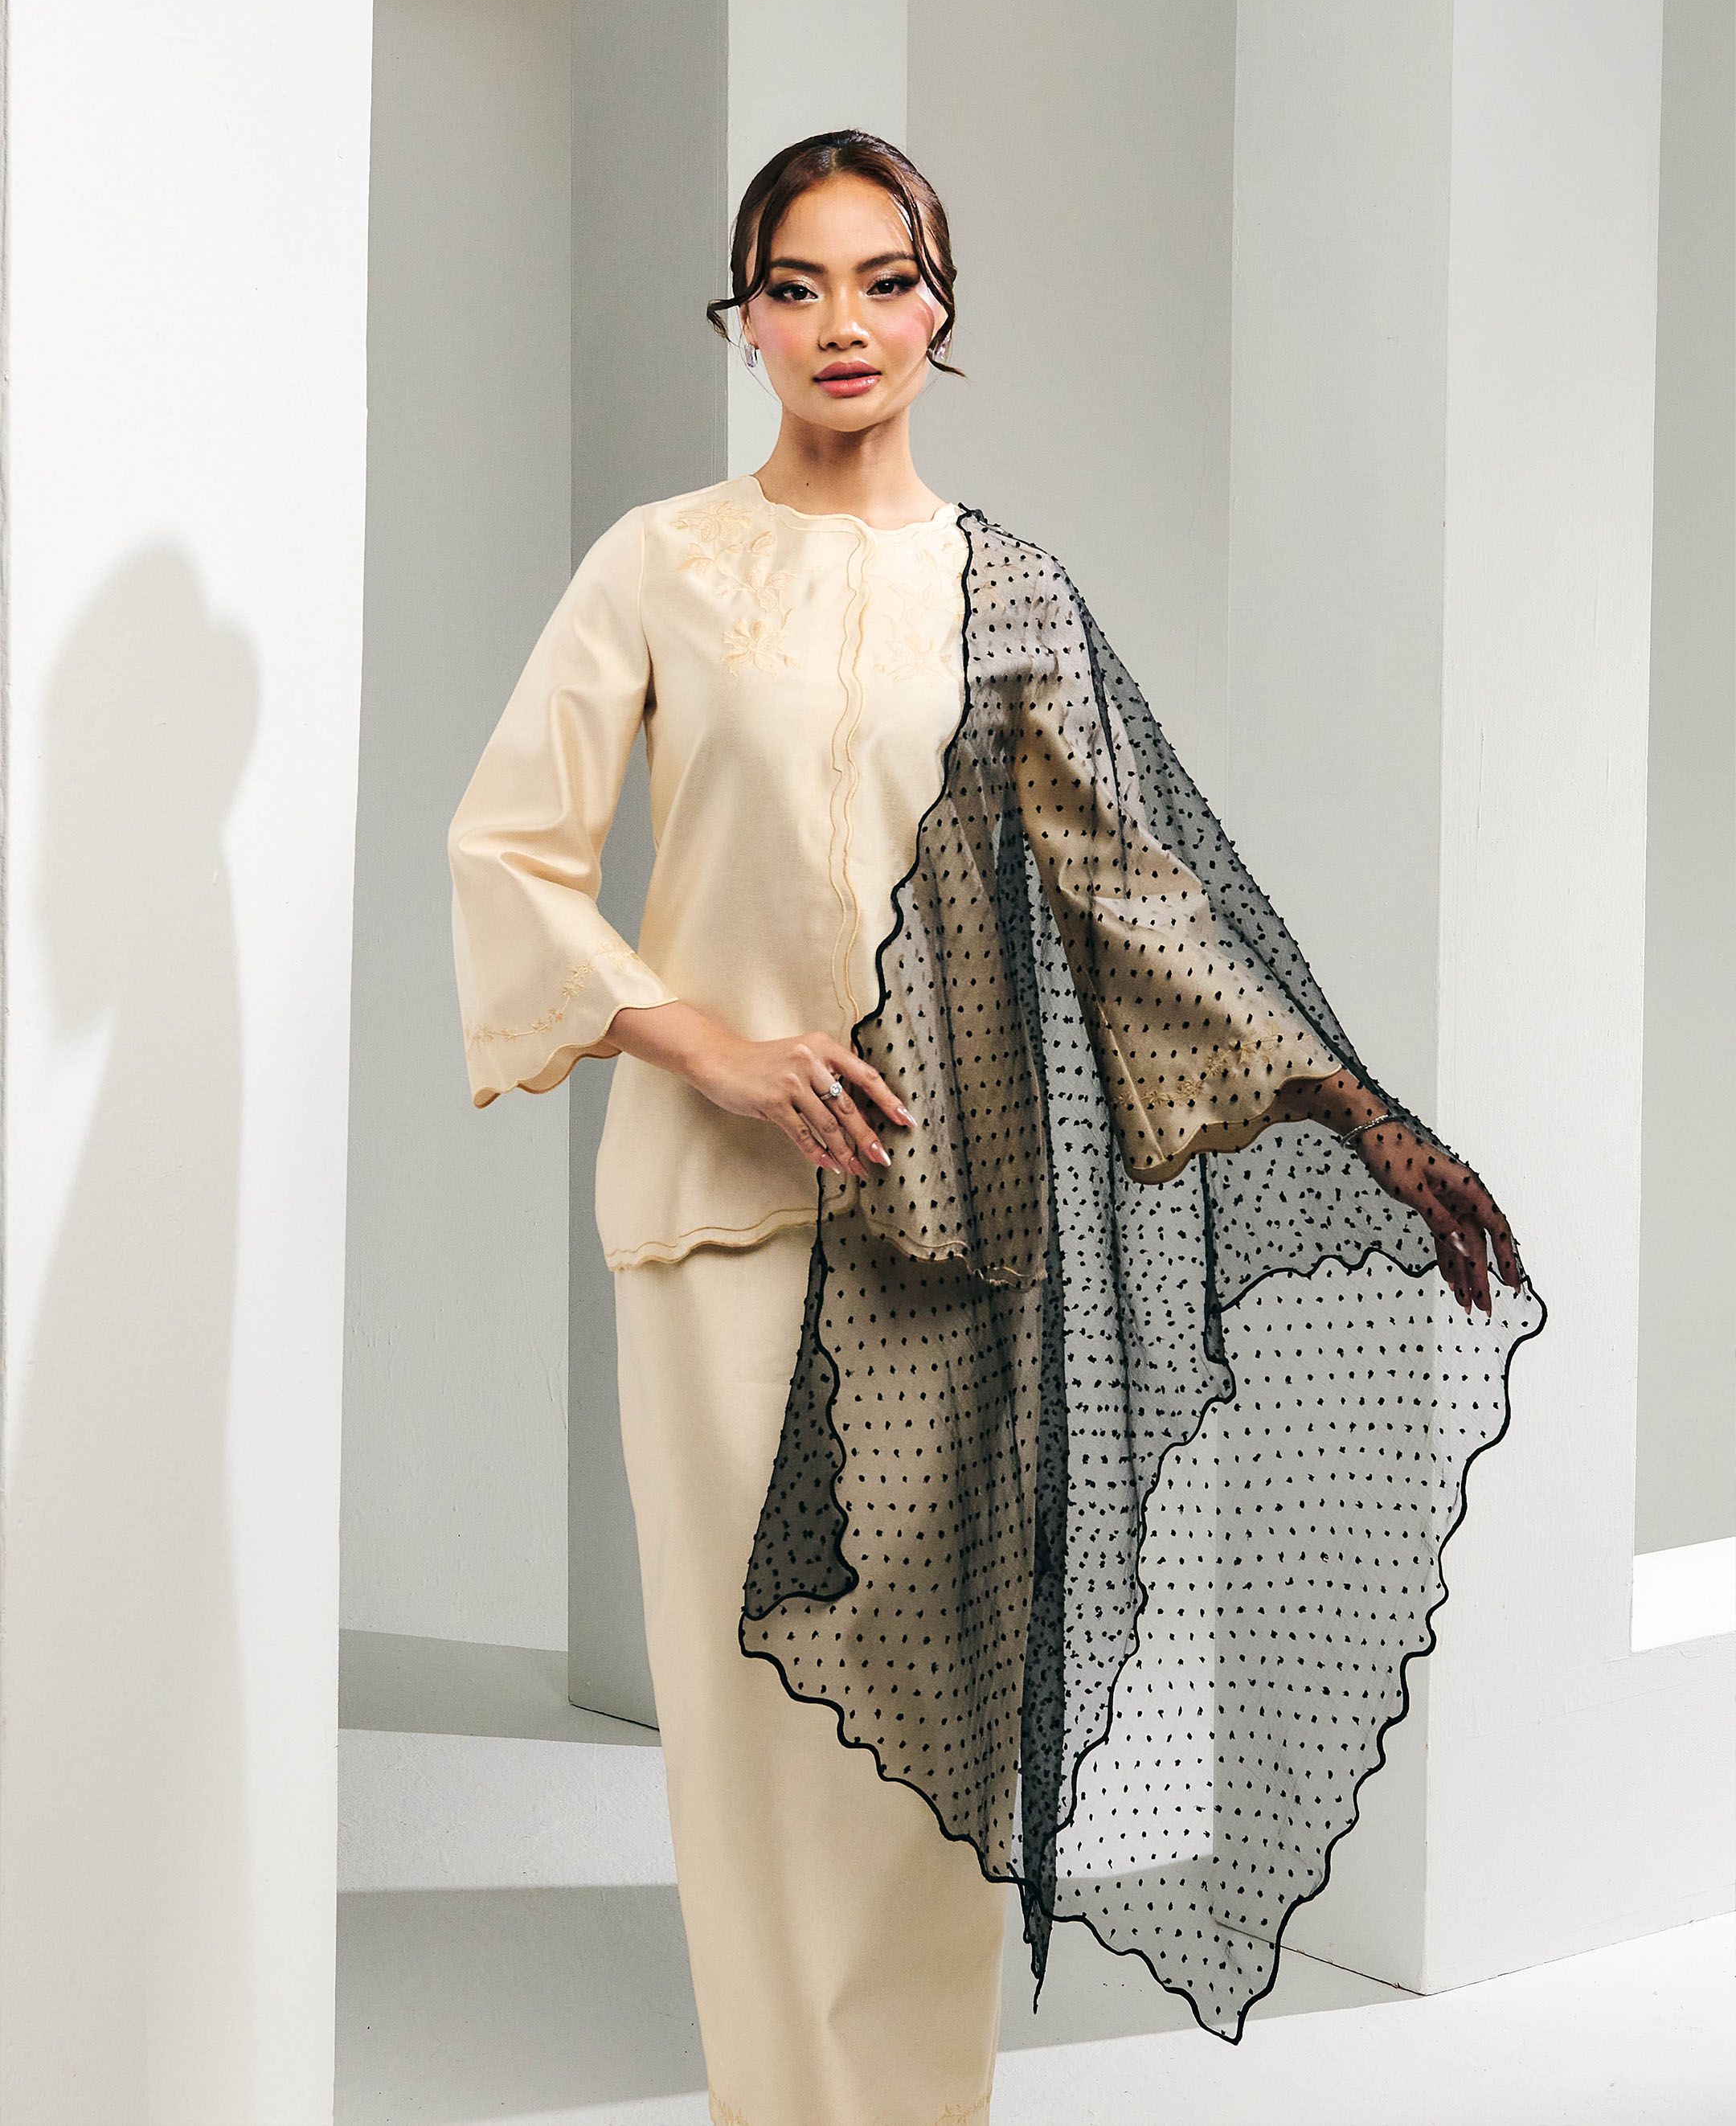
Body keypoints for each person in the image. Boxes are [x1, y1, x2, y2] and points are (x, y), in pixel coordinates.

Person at [448, 130, 1536, 2126]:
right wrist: (716, 1052)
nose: (843, 323)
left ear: (942, 306)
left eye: (887, 279)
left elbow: (1139, 902)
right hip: (717, 1231)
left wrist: (1355, 1108)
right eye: (797, 285)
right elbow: (510, 855)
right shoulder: (659, 564)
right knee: (753, 1735)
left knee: (937, 1742)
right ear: (745, 317)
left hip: (955, 1240)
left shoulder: (1011, 595)